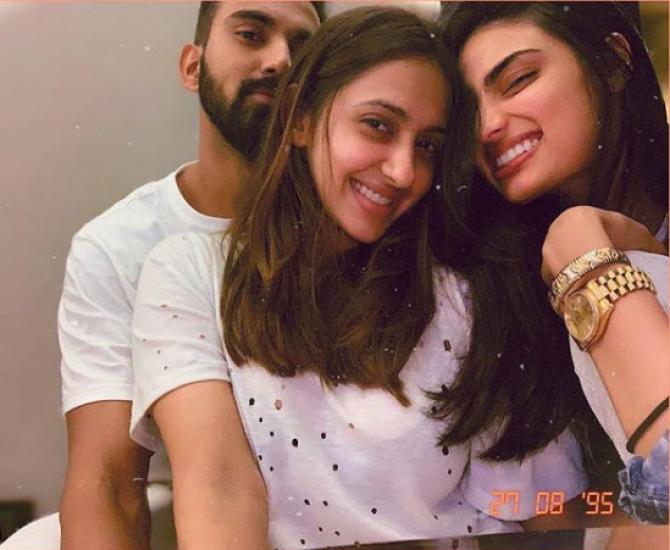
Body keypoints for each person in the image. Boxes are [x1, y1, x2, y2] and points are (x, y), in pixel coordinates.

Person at [130, 7, 589, 550]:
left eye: (427, 145)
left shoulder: (467, 295)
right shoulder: (190, 272)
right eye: (378, 125)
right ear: (299, 119)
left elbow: (536, 509)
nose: (403, 171)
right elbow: (218, 488)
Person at [0, 3, 321, 550]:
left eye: (303, 48)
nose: (279, 60)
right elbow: (107, 482)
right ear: (192, 67)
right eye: (251, 34)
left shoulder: (358, 220)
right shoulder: (119, 247)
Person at [439, 0, 668, 533]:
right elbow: (547, 513)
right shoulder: (497, 283)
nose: (487, 127)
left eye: (518, 80)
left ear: (612, 62)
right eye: (467, 114)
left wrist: (590, 260)